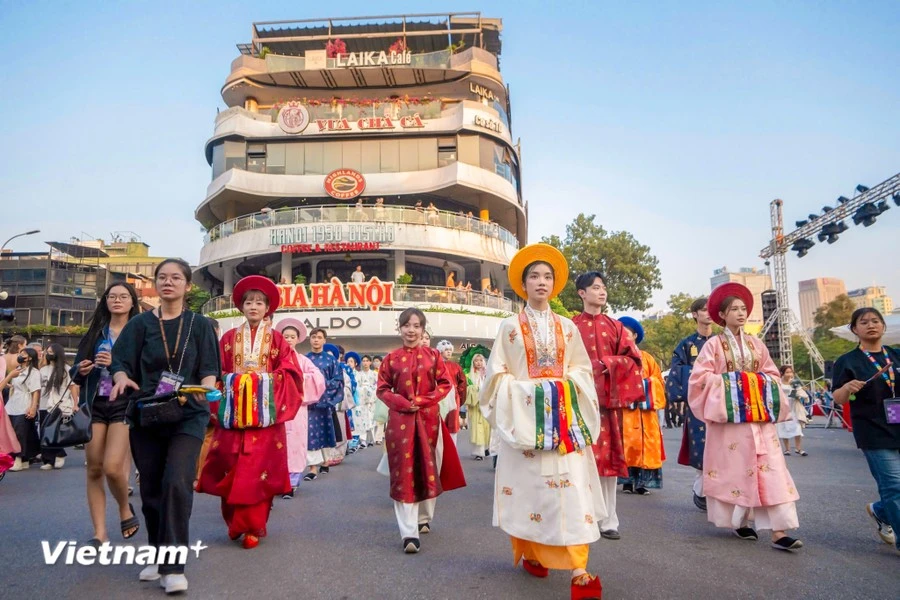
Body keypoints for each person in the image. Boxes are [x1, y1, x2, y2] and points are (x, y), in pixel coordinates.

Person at [479, 243, 605, 600]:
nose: (541, 281)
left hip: (564, 423)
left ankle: (579, 570)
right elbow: (495, 377)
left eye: (547, 276)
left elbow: (581, 369)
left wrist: (562, 389)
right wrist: (528, 395)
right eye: (534, 275)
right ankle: (533, 553)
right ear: (523, 284)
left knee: (573, 494)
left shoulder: (567, 328)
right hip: (525, 425)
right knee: (530, 493)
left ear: (555, 284)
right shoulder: (509, 327)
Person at [110, 258, 220, 592]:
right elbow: (121, 363)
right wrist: (120, 379)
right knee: (152, 488)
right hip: (146, 413)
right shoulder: (140, 325)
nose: (168, 282)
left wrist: (206, 389)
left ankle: (173, 566)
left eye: (175, 278)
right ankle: (157, 554)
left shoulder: (200, 324)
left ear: (188, 285)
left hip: (188, 411)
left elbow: (209, 368)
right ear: (156, 285)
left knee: (177, 482)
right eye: (162, 277)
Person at [688, 282, 802, 551]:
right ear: (722, 315)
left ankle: (779, 530)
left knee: (772, 470)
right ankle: (740, 522)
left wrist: (754, 383)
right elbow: (699, 379)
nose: (740, 313)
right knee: (735, 472)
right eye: (733, 309)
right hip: (730, 422)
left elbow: (772, 374)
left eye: (743, 308)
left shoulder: (756, 344)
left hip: (759, 421)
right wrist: (734, 384)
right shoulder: (713, 346)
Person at [198, 276, 303, 547]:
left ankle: (254, 526)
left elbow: (290, 373)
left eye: (259, 302)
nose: (253, 306)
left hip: (264, 420)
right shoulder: (230, 339)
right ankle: (234, 521)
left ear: (268, 307)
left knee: (259, 470)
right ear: (241, 306)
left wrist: (258, 382)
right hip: (233, 417)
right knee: (229, 464)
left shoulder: (278, 340)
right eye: (248, 301)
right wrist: (232, 382)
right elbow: (216, 372)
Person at [377, 308, 466, 553]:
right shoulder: (391, 359)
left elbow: (446, 384)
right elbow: (382, 390)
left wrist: (425, 400)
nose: (411, 330)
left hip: (428, 420)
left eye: (416, 325)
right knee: (403, 473)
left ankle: (424, 517)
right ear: (400, 328)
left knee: (429, 468)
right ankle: (409, 534)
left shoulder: (434, 356)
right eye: (406, 325)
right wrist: (404, 404)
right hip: (400, 423)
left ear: (423, 329)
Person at [572, 271, 643, 540]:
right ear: (582, 293)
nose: (601, 292)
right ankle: (583, 515)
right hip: (577, 403)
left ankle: (608, 519)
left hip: (608, 404)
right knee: (579, 461)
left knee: (609, 462)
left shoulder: (616, 327)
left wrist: (607, 364)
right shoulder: (570, 326)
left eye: (603, 287)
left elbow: (633, 361)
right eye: (595, 287)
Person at [72, 282, 141, 544]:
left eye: (123, 297)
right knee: (94, 468)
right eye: (112, 296)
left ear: (132, 302)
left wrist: (117, 364)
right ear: (105, 301)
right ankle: (99, 533)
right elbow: (75, 371)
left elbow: (147, 369)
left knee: (113, 467)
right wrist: (83, 369)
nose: (117, 301)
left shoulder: (139, 331)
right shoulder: (96, 333)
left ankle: (124, 507)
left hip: (124, 401)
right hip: (96, 402)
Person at [831, 307, 899, 553]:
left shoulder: (896, 355)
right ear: (854, 330)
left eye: (875, 321)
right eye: (864, 322)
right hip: (873, 431)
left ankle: (881, 511)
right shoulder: (847, 361)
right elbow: (838, 398)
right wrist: (848, 387)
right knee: (894, 486)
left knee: (896, 491)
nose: (871, 325)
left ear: (883, 326)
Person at [668, 296, 713, 511]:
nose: (708, 313)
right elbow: (677, 369)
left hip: (721, 401)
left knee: (724, 446)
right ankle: (701, 488)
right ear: (695, 314)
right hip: (698, 404)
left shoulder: (721, 343)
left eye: (710, 309)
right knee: (701, 444)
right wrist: (680, 397)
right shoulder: (686, 344)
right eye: (703, 310)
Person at [617, 318, 666, 495]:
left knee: (647, 445)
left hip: (646, 412)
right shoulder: (618, 359)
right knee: (627, 444)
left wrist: (643, 385)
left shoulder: (648, 358)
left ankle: (643, 483)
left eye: (627, 333)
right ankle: (627, 482)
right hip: (626, 411)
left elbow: (659, 381)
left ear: (635, 335)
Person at [276, 319, 325, 497]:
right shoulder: (273, 359)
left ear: (298, 339)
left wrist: (296, 380)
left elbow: (317, 379)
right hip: (276, 408)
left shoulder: (303, 360)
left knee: (295, 444)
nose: (288, 339)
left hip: (296, 409)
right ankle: (276, 482)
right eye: (285, 336)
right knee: (275, 444)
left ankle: (292, 482)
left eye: (292, 336)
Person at [304, 328, 343, 480]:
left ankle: (325, 461)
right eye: (313, 337)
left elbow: (338, 379)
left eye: (319, 337)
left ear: (324, 340)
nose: (316, 340)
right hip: (310, 404)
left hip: (326, 402)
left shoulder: (331, 360)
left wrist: (322, 388)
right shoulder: (305, 359)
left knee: (326, 431)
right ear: (310, 339)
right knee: (310, 434)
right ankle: (313, 468)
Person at [2, 347, 41, 471]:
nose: (20, 355)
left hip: (24, 405)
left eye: (23, 354)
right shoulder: (17, 370)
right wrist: (9, 380)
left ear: (29, 357)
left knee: (20, 433)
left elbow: (35, 391)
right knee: (14, 432)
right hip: (12, 405)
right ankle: (24, 459)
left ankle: (18, 459)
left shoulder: (34, 372)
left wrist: (33, 407)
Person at [38, 343, 75, 470]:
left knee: (55, 431)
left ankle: (59, 454)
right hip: (44, 404)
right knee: (44, 433)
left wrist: (75, 404)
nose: (48, 354)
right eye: (47, 352)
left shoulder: (66, 369)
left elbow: (73, 387)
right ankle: (48, 460)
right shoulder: (43, 370)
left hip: (60, 404)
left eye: (51, 352)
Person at [436, 340, 467, 445]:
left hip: (453, 396)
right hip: (439, 397)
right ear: (440, 351)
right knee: (439, 422)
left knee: (452, 423)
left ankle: (451, 448)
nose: (449, 352)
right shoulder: (435, 365)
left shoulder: (456, 367)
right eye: (446, 350)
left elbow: (463, 384)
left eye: (450, 350)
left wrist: (459, 399)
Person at [776, 365, 810, 456]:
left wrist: (800, 392)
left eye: (790, 372)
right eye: (787, 372)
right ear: (782, 373)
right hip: (783, 407)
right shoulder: (778, 382)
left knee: (797, 428)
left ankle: (799, 449)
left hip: (794, 407)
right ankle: (787, 449)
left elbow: (798, 393)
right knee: (783, 427)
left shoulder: (794, 383)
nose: (789, 374)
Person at [464, 350, 491, 459]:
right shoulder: (469, 375)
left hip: (487, 404)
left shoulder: (488, 374)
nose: (479, 363)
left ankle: (486, 448)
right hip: (475, 405)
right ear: (473, 362)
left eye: (481, 360)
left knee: (487, 427)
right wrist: (474, 390)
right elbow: (466, 389)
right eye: (476, 360)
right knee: (477, 427)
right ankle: (478, 452)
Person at [353, 355, 378, 448]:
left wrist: (371, 391)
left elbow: (377, 386)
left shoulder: (375, 374)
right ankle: (363, 440)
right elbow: (357, 387)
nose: (365, 363)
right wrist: (364, 389)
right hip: (362, 400)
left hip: (372, 400)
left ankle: (371, 439)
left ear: (370, 362)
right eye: (363, 361)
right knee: (363, 420)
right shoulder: (358, 374)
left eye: (367, 361)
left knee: (372, 419)